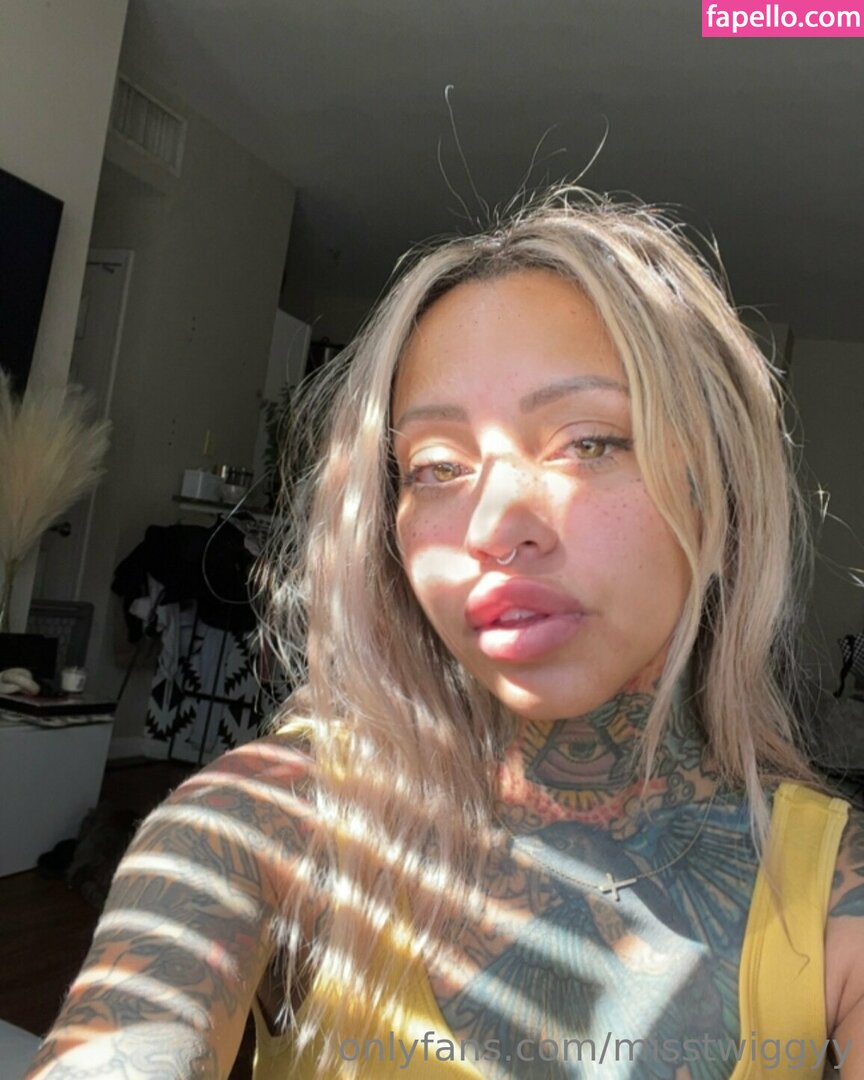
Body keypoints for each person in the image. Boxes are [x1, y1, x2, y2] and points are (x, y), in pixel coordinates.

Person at [26, 188, 864, 1079]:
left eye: (588, 442)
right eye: (435, 467)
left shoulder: (832, 887)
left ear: (722, 497)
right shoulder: (271, 823)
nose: (493, 525)